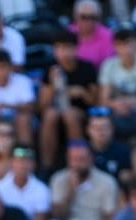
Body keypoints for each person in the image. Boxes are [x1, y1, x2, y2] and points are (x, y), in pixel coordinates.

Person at [38, 30, 98, 173]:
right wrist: (52, 85)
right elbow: (42, 106)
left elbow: (96, 102)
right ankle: (47, 166)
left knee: (70, 115)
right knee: (50, 115)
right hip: (56, 110)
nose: (63, 53)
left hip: (81, 112)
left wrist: (82, 93)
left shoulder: (87, 68)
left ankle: (77, 163)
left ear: (75, 49)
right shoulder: (50, 69)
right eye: (59, 48)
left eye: (67, 48)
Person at [49, 141, 120, 220]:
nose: (77, 164)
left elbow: (111, 217)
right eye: (73, 159)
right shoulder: (59, 179)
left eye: (81, 159)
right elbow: (57, 216)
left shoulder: (107, 182)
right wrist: (71, 191)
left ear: (91, 159)